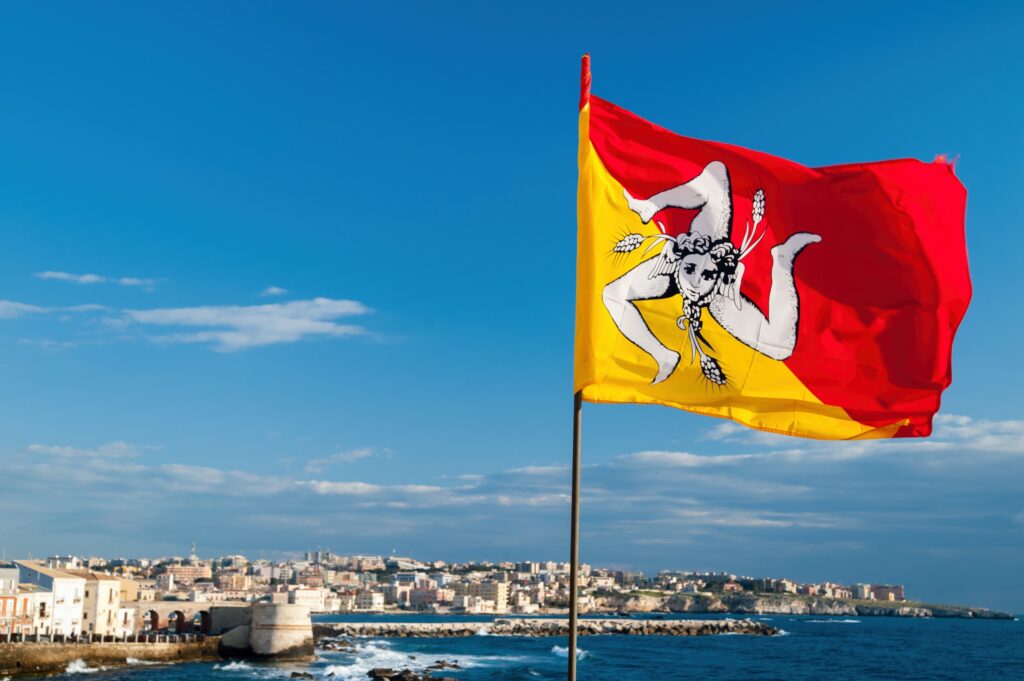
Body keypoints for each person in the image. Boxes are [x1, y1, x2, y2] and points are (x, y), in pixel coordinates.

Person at [602, 161, 820, 384]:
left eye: (706, 275)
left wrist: (782, 267)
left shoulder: (720, 297)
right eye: (691, 269)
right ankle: (663, 356)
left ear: (719, 278)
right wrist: (655, 204)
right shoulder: (673, 266)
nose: (695, 281)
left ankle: (783, 258)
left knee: (780, 346)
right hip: (674, 271)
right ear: (678, 261)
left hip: (717, 293)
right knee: (611, 294)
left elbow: (781, 346)